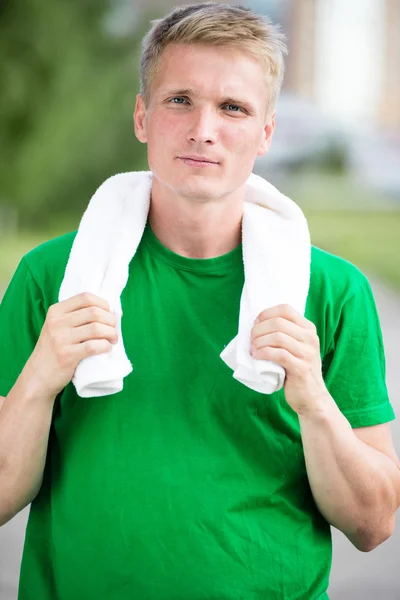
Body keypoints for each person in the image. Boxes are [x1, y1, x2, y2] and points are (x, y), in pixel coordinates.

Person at [0, 3, 399, 599]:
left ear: (266, 132)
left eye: (233, 108)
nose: (203, 129)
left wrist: (314, 400)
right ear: (142, 116)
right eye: (179, 99)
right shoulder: (54, 278)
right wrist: (37, 380)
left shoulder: (331, 291)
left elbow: (373, 524)